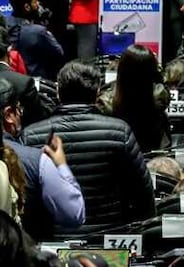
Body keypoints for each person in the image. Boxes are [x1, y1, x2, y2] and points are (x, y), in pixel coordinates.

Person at [23, 60, 154, 236]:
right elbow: (143, 192)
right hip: (108, 242)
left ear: (58, 92)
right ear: (98, 92)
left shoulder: (31, 136)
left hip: (51, 242)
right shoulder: (119, 131)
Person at [0, 76, 84, 240]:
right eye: (19, 110)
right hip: (23, 261)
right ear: (9, 115)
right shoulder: (38, 161)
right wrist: (61, 166)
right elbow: (74, 214)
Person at [107, 44, 170, 153]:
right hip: (152, 159)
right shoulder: (160, 96)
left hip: (117, 159)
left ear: (121, 69)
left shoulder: (106, 101)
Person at [4, 0, 65, 82]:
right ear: (27, 7)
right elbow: (59, 52)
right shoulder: (38, 31)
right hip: (36, 80)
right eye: (35, 1)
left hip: (9, 80)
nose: (38, 4)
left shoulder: (4, 25)